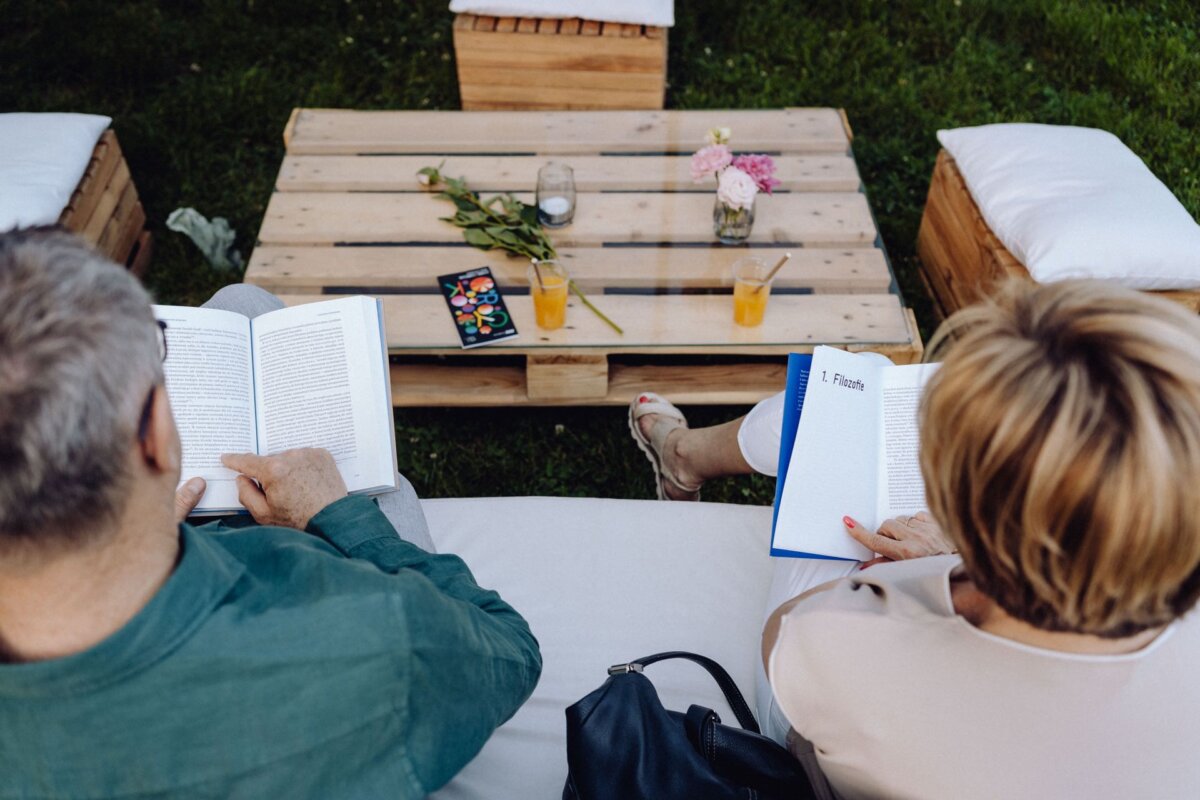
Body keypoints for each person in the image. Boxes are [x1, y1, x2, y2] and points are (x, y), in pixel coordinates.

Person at [0, 228, 542, 797]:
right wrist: (336, 512)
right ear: (156, 433)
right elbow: (509, 651)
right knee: (385, 489)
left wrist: (136, 533)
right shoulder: (379, 635)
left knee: (241, 302)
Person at [756, 279, 1200, 798]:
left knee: (829, 451)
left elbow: (781, 640)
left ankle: (683, 454)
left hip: (813, 740)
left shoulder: (849, 640)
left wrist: (934, 565)